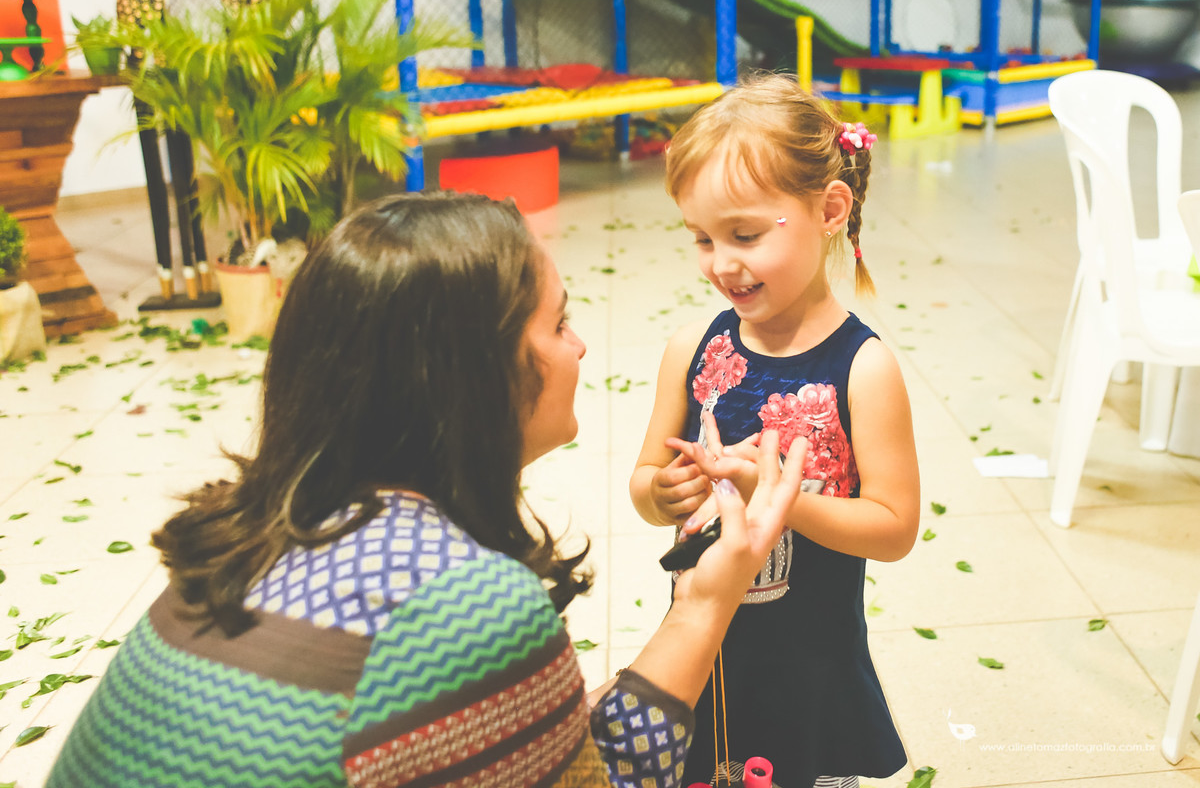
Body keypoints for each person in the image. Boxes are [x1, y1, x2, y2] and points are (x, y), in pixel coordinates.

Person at [46, 191, 808, 788]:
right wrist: (709, 600)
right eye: (558, 324)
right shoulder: (465, 605)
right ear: (471, 376)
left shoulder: (248, 532)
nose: (579, 346)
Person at [629, 74, 921, 787]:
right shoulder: (692, 346)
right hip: (701, 651)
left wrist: (781, 499)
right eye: (702, 238)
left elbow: (894, 528)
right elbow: (643, 484)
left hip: (810, 660)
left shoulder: (864, 368)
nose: (721, 263)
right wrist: (662, 493)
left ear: (829, 209)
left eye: (746, 235)